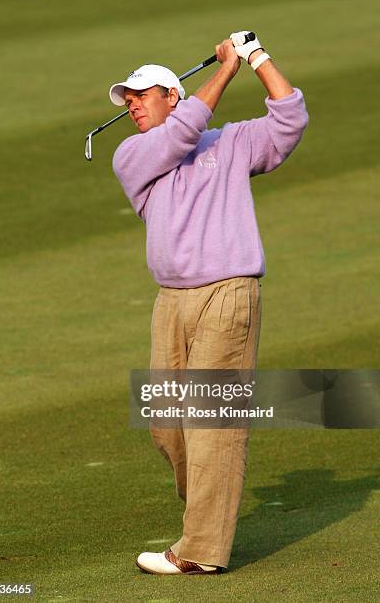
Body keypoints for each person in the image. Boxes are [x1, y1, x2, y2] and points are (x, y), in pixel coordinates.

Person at [110, 31, 308, 575]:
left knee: (211, 423)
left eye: (141, 96)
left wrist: (257, 57)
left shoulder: (231, 142)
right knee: (168, 426)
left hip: (228, 294)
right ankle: (207, 512)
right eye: (127, 100)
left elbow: (290, 118)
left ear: (172, 95)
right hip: (170, 303)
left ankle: (201, 550)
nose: (130, 107)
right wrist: (224, 69)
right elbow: (179, 139)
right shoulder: (133, 156)